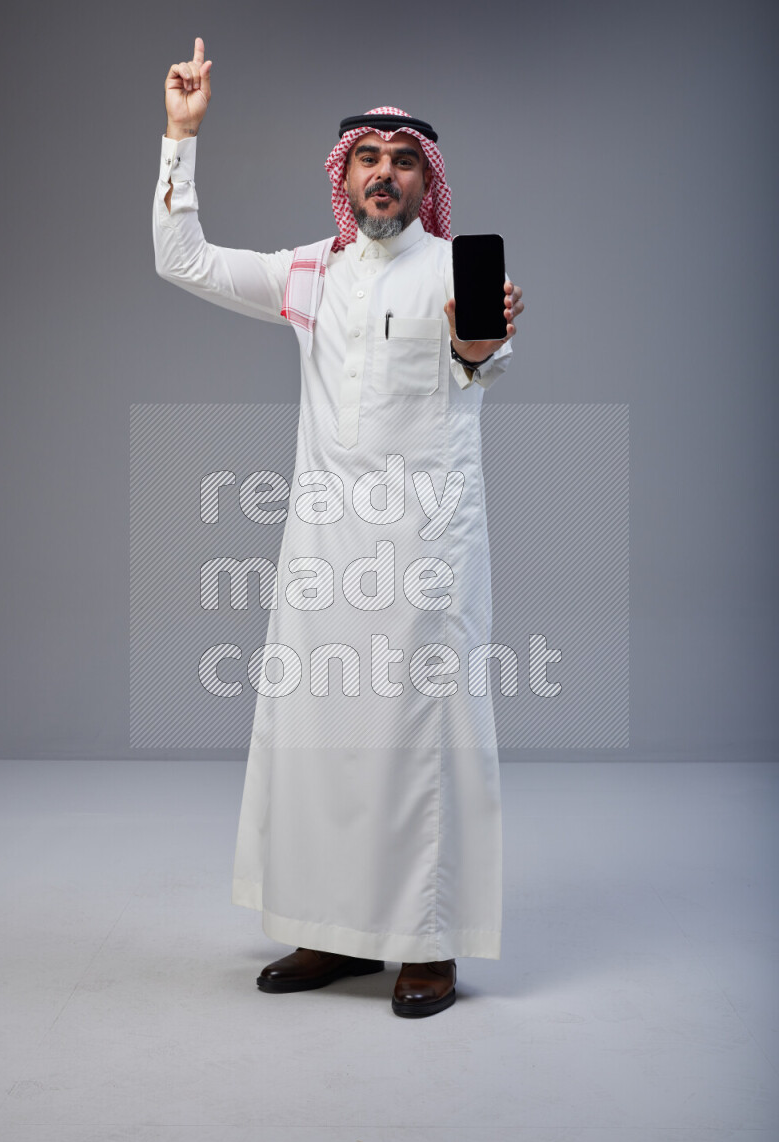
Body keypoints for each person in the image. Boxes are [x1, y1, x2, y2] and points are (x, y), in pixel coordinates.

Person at [153, 37, 524, 1019]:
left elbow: (482, 359)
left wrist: (480, 347)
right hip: (322, 553)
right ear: (345, 172)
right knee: (318, 738)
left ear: (423, 180)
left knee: (420, 742)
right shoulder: (305, 274)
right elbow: (178, 256)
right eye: (369, 157)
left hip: (425, 555)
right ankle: (331, 930)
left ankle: (428, 945)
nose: (385, 175)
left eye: (404, 161)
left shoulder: (453, 270)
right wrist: (179, 138)